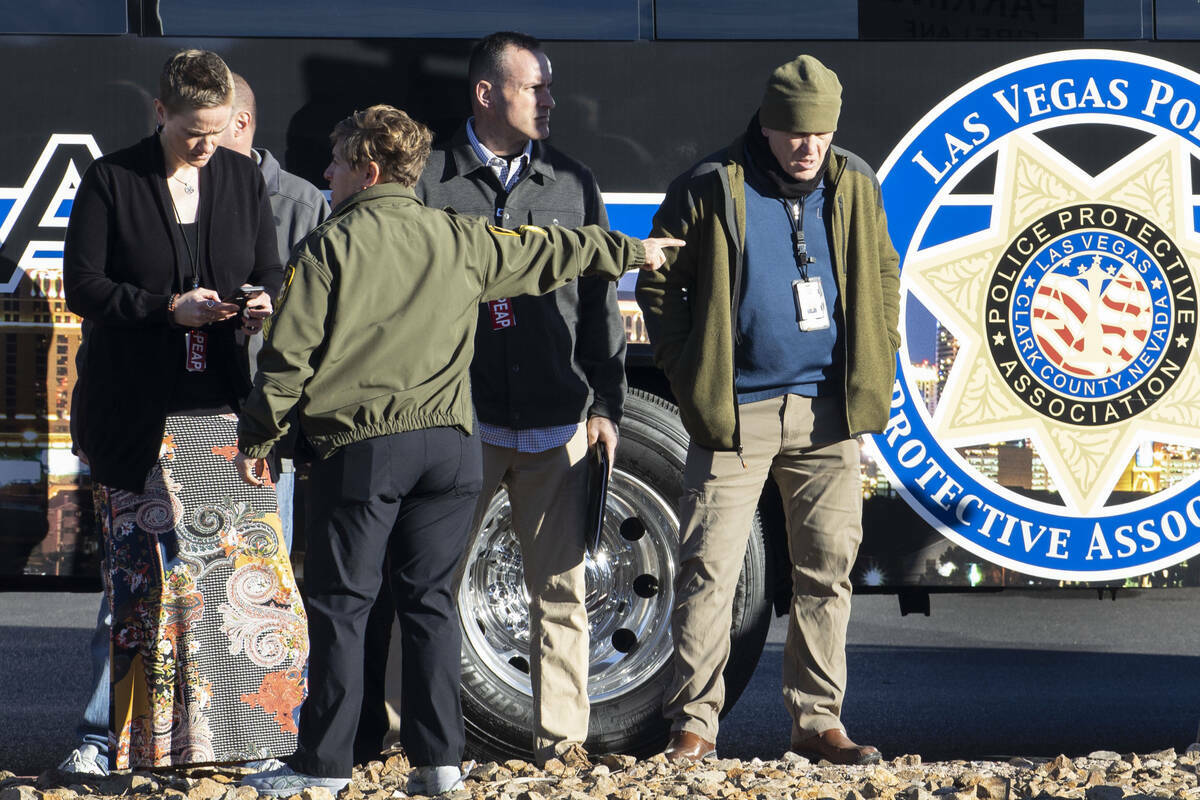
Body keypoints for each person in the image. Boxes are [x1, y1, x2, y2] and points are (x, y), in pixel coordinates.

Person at [237, 104, 680, 797]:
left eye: (337, 162)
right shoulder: (461, 237)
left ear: (368, 170)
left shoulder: (331, 245)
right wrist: (633, 250)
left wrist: (259, 436)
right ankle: (439, 762)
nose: (327, 173)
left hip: (364, 448)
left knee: (343, 607)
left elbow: (288, 359)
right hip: (450, 449)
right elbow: (552, 252)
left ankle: (321, 767)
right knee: (431, 603)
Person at [636, 54, 900, 765]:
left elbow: (882, 271)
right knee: (708, 569)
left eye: (819, 133)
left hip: (826, 413)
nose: (807, 147)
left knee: (825, 571)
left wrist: (882, 351)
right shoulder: (710, 186)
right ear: (767, 122)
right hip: (736, 411)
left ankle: (818, 722)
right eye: (793, 133)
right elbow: (659, 281)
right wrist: (684, 368)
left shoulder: (856, 184)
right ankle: (693, 726)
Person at [63, 49, 307, 769]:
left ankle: (252, 746)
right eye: (192, 132)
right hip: (138, 414)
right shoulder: (112, 179)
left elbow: (266, 265)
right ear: (160, 112)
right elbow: (84, 286)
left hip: (224, 413)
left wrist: (262, 299)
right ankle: (109, 743)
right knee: (140, 589)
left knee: (244, 589)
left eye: (218, 130)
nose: (205, 146)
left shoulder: (239, 176)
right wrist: (168, 309)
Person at [414, 30, 622, 768]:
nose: (550, 100)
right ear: (487, 93)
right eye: (536, 88)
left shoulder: (570, 182)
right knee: (425, 589)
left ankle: (562, 744)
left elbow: (598, 303)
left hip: (557, 420)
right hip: (455, 420)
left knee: (562, 593)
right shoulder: (430, 179)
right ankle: (399, 737)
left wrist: (606, 405)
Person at [219, 71, 331, 551]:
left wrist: (272, 307)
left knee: (261, 571)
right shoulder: (171, 189)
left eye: (206, 127)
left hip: (263, 417)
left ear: (241, 123)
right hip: (183, 413)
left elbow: (329, 318)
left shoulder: (301, 204)